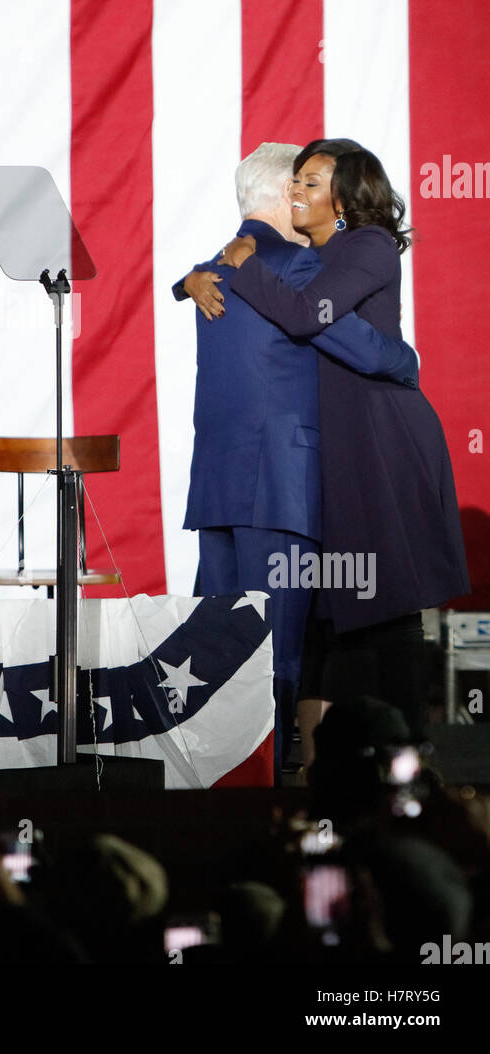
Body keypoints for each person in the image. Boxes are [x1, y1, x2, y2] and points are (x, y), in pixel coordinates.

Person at [201, 138, 470, 745]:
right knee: (328, 603)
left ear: (346, 197)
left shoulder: (366, 247)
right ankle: (316, 764)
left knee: (384, 597)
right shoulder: (306, 254)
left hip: (380, 439)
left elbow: (304, 316)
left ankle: (411, 755)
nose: (297, 190)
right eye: (295, 181)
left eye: (313, 182)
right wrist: (197, 277)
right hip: (334, 444)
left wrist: (242, 266)